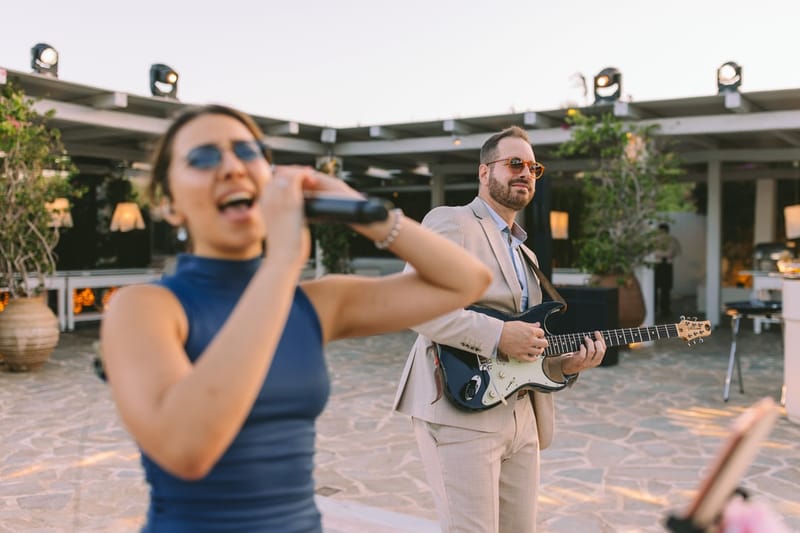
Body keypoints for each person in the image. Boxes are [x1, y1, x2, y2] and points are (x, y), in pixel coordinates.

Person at [99, 104, 492, 532]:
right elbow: (186, 448)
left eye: (247, 152)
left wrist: (360, 207)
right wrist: (283, 259)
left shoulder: (316, 302)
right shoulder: (142, 307)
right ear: (169, 204)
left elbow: (467, 281)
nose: (231, 167)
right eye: (204, 157)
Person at [393, 126, 608, 533]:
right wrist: (496, 335)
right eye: (514, 163)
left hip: (522, 416)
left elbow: (525, 342)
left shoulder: (525, 252)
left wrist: (564, 365)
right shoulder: (452, 221)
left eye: (533, 167)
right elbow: (411, 303)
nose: (526, 172)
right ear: (483, 172)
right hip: (460, 407)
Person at [653, 222, 682, 317]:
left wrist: (660, 254)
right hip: (666, 265)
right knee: (665, 289)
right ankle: (664, 310)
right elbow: (677, 252)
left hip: (657, 265)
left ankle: (655, 309)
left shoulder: (654, 240)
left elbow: (652, 253)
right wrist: (668, 254)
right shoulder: (672, 239)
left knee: (656, 288)